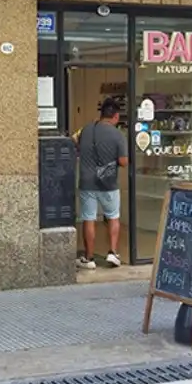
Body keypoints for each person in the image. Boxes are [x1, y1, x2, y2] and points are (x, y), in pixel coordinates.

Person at [74, 97, 128, 269]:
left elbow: (74, 141)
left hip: (87, 181)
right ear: (116, 116)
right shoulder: (118, 135)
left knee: (88, 218)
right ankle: (112, 252)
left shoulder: (86, 129)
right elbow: (123, 161)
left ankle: (89, 258)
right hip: (108, 182)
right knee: (113, 216)